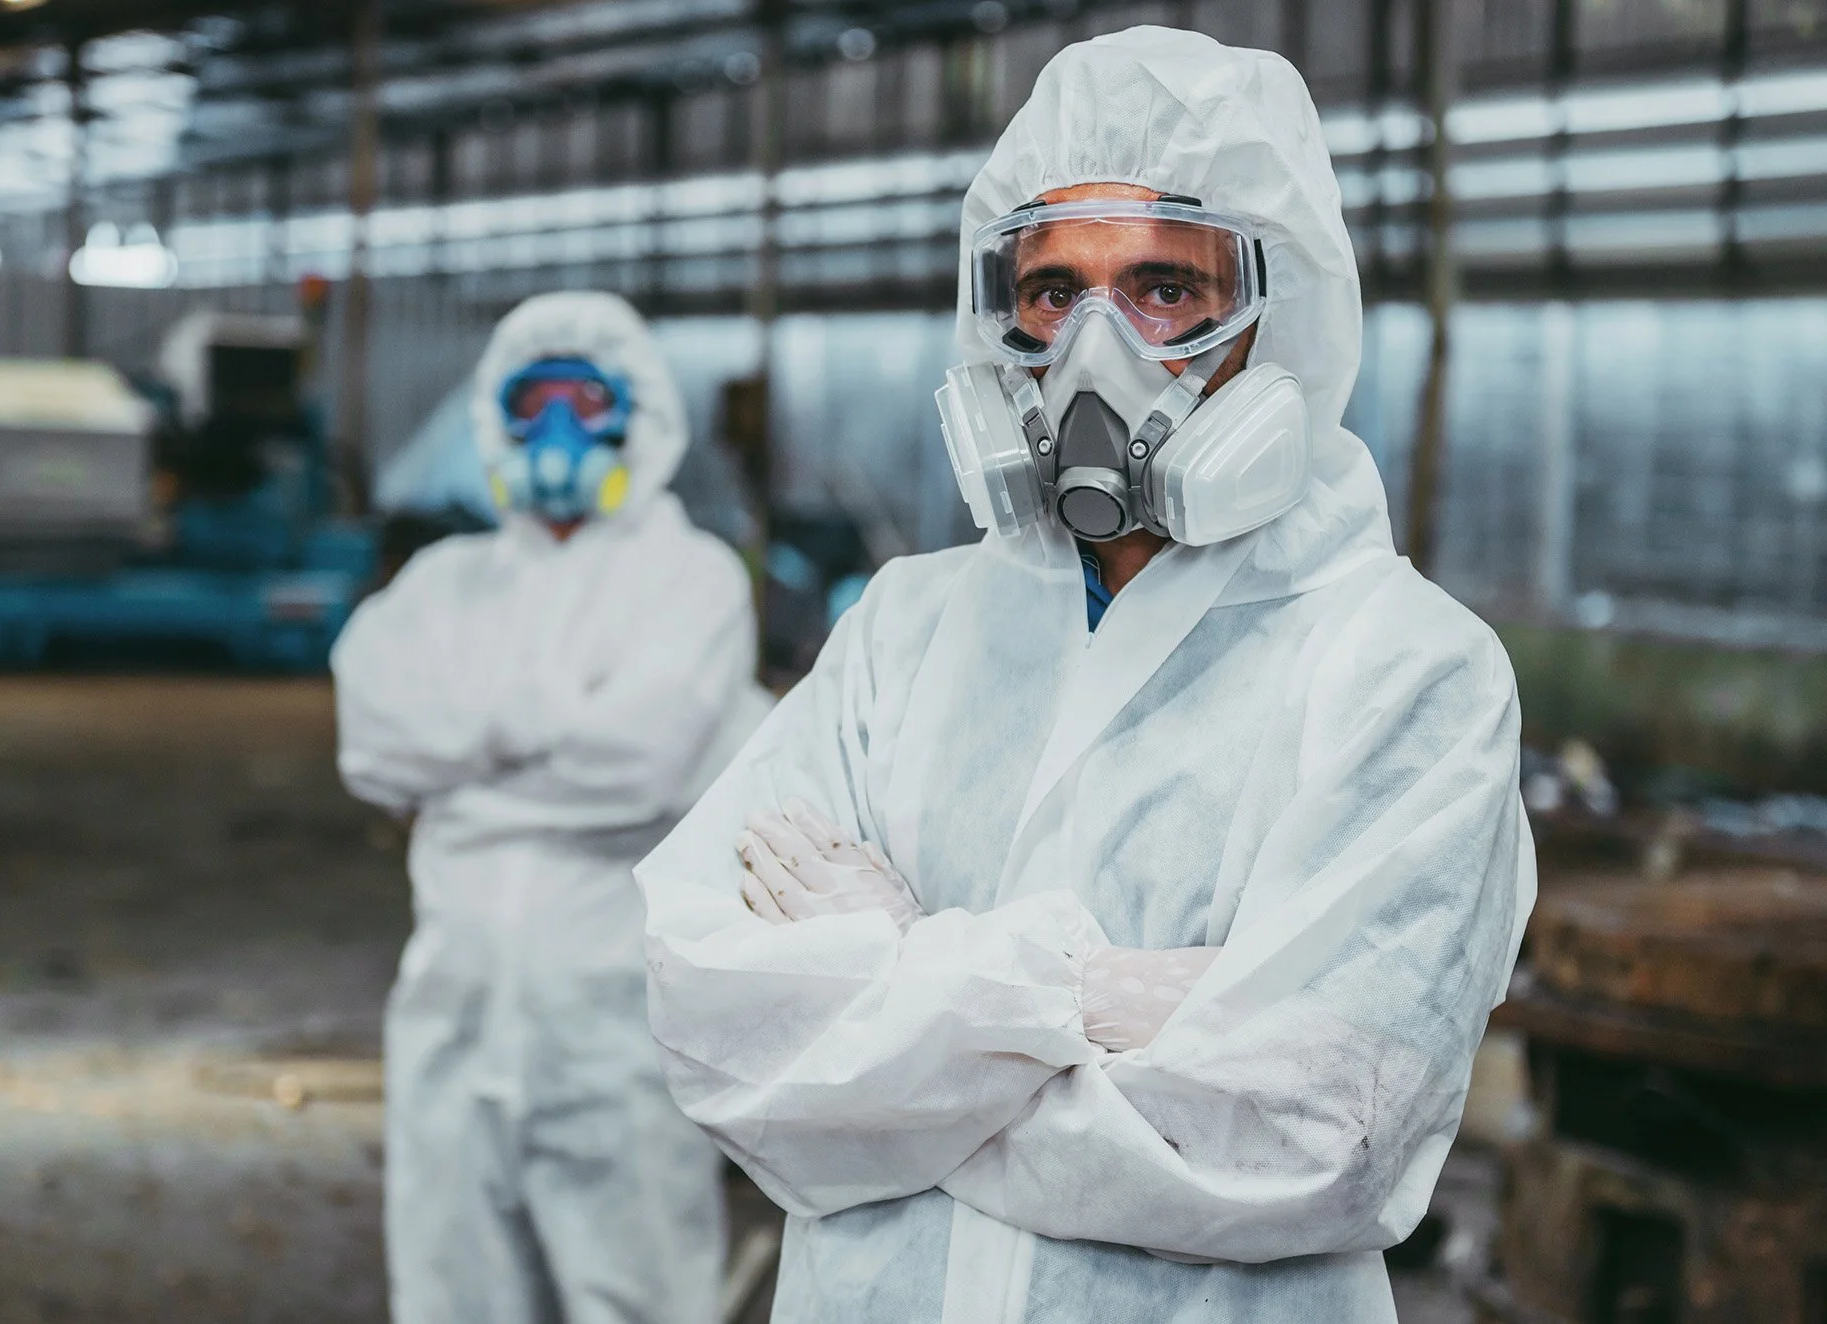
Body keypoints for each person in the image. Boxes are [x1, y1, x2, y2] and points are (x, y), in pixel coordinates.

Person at [635, 26, 1535, 1323]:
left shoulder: (1407, 672)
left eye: (1168, 289)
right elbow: (724, 1031)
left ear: (1276, 319)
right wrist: (1090, 996)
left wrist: (903, 1017)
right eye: (1053, 292)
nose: (1093, 352)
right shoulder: (904, 632)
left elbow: (1312, 1140)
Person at [333, 290, 765, 1324]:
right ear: (496, 417)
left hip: (615, 1032)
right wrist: (554, 727)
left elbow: (640, 767)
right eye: (535, 400)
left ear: (639, 416)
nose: (561, 427)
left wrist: (462, 772)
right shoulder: (442, 584)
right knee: (451, 1290)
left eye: (588, 397)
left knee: (638, 1293)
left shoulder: (691, 579)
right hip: (451, 1020)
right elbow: (371, 744)